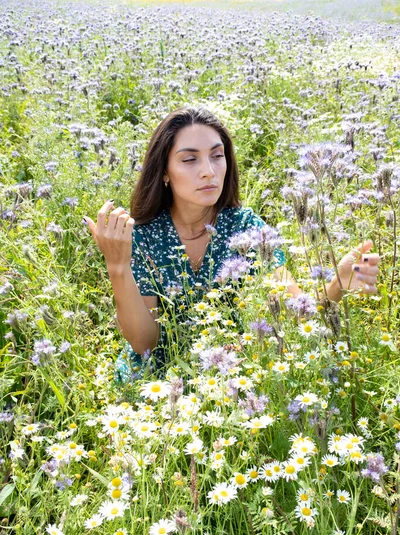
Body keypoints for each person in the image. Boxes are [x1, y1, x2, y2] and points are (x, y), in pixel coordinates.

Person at [83, 106, 381, 386]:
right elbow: (144, 343)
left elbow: (296, 313)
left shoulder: (245, 228)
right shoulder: (144, 235)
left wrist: (337, 285)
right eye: (189, 159)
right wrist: (118, 266)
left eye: (217, 155)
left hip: (230, 376)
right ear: (163, 171)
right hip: (157, 387)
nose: (208, 171)